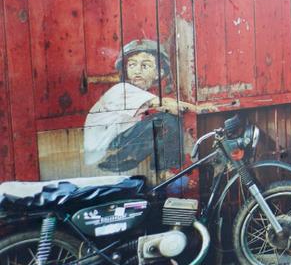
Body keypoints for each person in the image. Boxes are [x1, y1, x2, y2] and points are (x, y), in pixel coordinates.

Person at [83, 39, 210, 174]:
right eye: (132, 65)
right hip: (106, 150)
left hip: (106, 147)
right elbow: (166, 105)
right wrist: (199, 109)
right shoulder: (122, 89)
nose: (137, 71)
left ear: (159, 73)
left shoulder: (136, 94)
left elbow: (164, 102)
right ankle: (168, 172)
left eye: (145, 66)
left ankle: (147, 164)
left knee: (157, 122)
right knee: (167, 120)